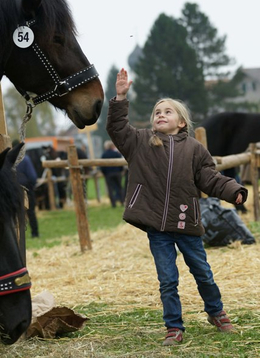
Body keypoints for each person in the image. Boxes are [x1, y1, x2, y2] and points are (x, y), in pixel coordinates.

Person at [106, 68, 248, 346]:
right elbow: (117, 128)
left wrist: (233, 191)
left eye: (167, 112)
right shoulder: (140, 143)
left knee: (203, 273)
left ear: (181, 122)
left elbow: (209, 177)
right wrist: (121, 97)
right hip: (157, 227)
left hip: (187, 224)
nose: (160, 114)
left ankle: (216, 312)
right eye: (157, 112)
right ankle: (174, 327)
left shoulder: (195, 149)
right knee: (168, 280)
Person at [12, 140, 39, 238]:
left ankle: (18, 236)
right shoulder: (25, 159)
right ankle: (35, 233)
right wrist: (32, 185)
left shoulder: (9, 160)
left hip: (13, 189)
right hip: (26, 189)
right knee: (30, 212)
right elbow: (32, 176)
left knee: (16, 214)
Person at [101, 140, 124, 207]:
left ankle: (113, 203)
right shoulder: (116, 154)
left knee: (110, 189)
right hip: (117, 173)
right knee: (119, 187)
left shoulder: (104, 154)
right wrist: (120, 171)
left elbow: (102, 166)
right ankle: (122, 201)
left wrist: (104, 173)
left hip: (108, 174)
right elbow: (121, 164)